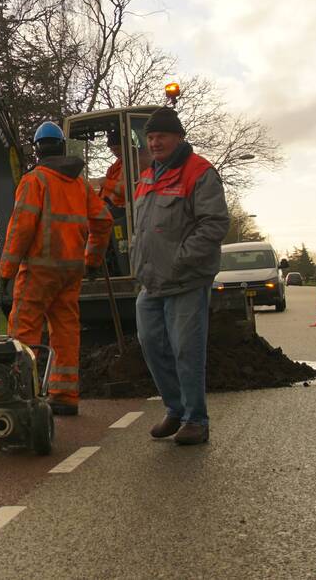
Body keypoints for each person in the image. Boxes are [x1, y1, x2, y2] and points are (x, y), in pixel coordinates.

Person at [0, 121, 113, 416]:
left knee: (24, 332)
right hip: (71, 271)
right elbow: (103, 221)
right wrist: (93, 260)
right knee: (65, 329)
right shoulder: (79, 184)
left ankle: (22, 396)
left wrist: (5, 273)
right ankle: (65, 394)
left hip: (38, 270)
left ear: (37, 151)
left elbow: (20, 229)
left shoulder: (34, 181)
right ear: (62, 147)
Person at [131, 107, 229, 445]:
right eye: (151, 137)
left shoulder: (199, 172)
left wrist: (180, 260)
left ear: (179, 137)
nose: (155, 143)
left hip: (185, 279)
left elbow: (214, 224)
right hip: (151, 281)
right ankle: (176, 409)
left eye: (161, 137)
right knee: (151, 343)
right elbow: (142, 228)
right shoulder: (147, 175)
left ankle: (196, 420)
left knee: (186, 349)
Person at [99, 130, 126, 210]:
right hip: (108, 207)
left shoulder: (133, 164)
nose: (115, 152)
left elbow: (128, 190)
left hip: (121, 209)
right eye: (112, 150)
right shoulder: (117, 165)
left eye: (117, 149)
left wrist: (105, 182)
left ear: (125, 145)